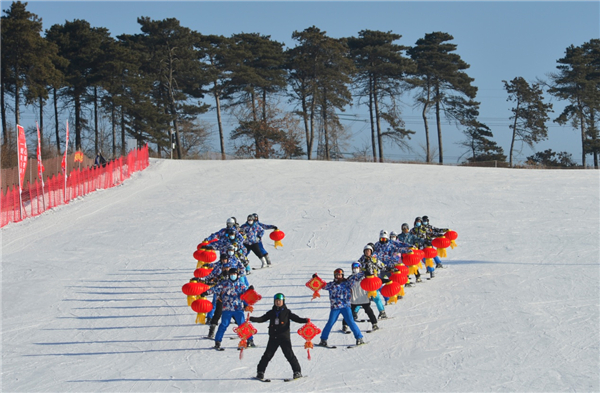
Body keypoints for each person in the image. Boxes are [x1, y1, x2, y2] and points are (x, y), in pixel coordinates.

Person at [249, 293, 309, 381]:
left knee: (289, 355)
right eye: (276, 301)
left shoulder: (287, 312)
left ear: (283, 301)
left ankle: (297, 372)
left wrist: (305, 320)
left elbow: (296, 319)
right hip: (274, 337)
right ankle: (260, 372)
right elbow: (262, 319)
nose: (277, 302)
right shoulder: (271, 312)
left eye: (279, 301)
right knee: (267, 355)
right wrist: (252, 319)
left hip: (284, 337)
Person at [201, 267, 255, 350]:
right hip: (227, 309)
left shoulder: (240, 284)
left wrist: (250, 290)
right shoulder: (224, 284)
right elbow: (215, 288)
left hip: (238, 309)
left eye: (234, 274)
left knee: (243, 325)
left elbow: (246, 292)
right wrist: (206, 292)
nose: (233, 276)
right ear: (229, 275)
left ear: (237, 275)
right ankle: (217, 342)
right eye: (231, 274)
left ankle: (250, 340)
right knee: (224, 325)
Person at [317, 268, 365, 347]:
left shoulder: (347, 283)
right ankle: (323, 339)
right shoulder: (331, 285)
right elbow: (322, 285)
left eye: (340, 275)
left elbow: (355, 277)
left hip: (346, 306)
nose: (339, 276)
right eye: (337, 275)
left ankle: (359, 338)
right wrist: (316, 278)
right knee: (330, 323)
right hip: (335, 307)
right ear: (335, 276)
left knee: (350, 322)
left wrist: (363, 272)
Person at [342, 262, 378, 333]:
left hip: (364, 297)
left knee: (369, 311)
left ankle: (374, 323)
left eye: (357, 267)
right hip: (354, 299)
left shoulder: (364, 276)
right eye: (354, 267)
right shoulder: (350, 278)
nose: (356, 269)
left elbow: (372, 280)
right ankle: (345, 325)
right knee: (349, 312)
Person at [357, 245, 387, 319]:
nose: (367, 252)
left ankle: (382, 312)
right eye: (366, 251)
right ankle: (354, 313)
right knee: (360, 297)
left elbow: (382, 266)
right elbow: (356, 269)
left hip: (373, 282)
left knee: (376, 297)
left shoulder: (374, 260)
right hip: (365, 282)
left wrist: (389, 268)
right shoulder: (361, 260)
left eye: (369, 251)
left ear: (371, 252)